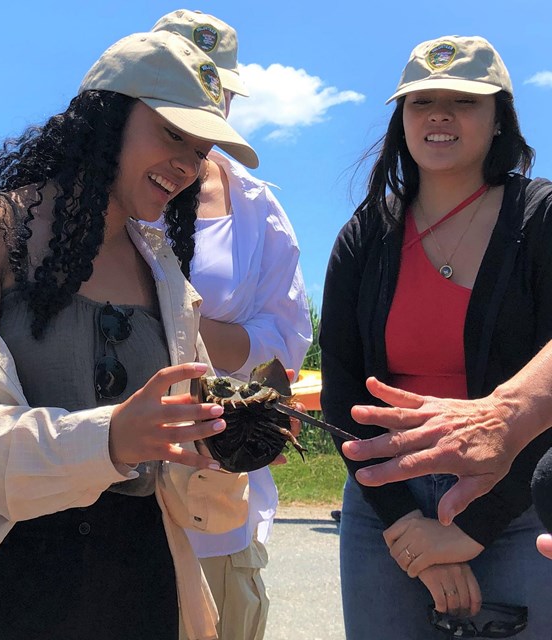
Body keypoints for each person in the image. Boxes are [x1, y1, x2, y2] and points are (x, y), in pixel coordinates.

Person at [0, 30, 262, 640]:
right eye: (173, 133)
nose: (188, 163)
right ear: (103, 115)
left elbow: (175, 464)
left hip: (140, 582)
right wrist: (108, 437)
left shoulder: (164, 273)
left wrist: (219, 444)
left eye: (201, 148)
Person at [319, 34, 552, 639]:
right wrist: (405, 526)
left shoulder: (544, 217)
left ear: (500, 118)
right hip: (382, 509)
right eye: (421, 101)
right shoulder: (365, 233)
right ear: (402, 119)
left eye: (465, 101)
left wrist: (469, 530)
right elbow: (341, 383)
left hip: (521, 502)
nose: (440, 115)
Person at [150, 11, 312, 640]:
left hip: (212, 476)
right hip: (96, 471)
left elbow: (288, 336)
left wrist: (183, 329)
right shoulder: (81, 194)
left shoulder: (256, 205)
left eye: (215, 88)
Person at [342, 337, 552, 555]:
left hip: (519, 497)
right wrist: (400, 517)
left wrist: (478, 527)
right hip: (382, 501)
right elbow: (340, 374)